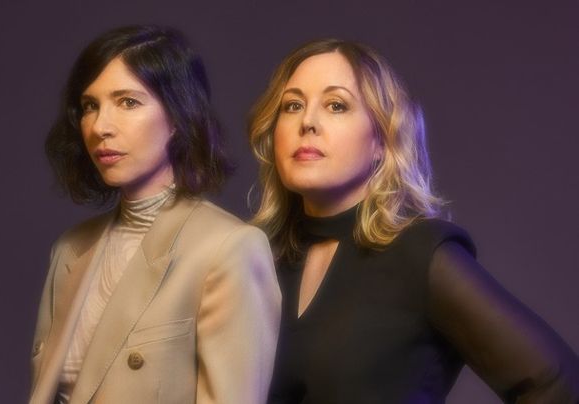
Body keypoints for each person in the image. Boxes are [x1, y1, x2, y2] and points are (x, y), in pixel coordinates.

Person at [248, 38, 579, 403]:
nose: (307, 122)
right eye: (292, 105)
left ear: (381, 140)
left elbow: (557, 384)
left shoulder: (420, 254)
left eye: (336, 105)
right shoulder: (257, 258)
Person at [29, 25, 280, 404]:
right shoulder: (69, 249)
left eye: (128, 102)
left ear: (178, 116)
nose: (100, 127)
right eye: (90, 106)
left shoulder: (228, 249)